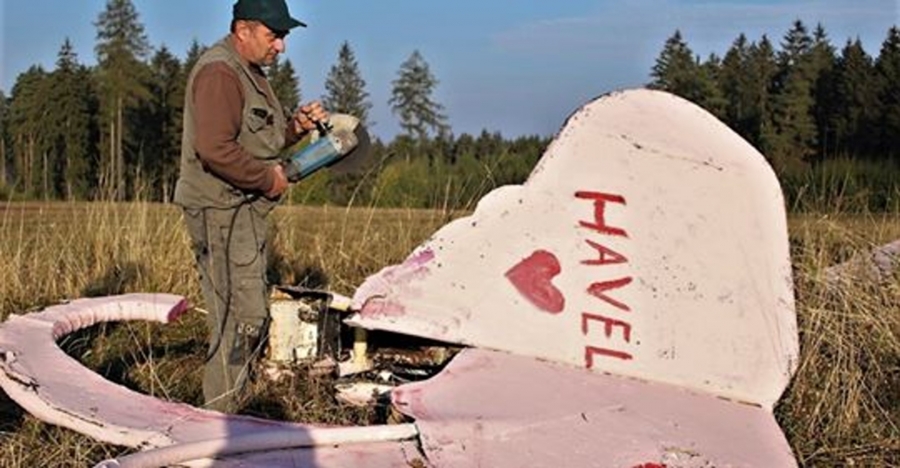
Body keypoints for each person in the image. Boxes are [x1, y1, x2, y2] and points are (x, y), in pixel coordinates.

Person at [173, 0, 327, 413]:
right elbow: (215, 150)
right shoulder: (220, 73)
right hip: (220, 213)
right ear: (243, 30)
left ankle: (234, 410)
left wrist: (296, 128)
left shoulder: (250, 72)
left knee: (247, 315)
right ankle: (222, 418)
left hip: (240, 212)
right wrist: (269, 180)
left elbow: (258, 142)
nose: (281, 46)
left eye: (284, 37)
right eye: (274, 35)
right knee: (237, 320)